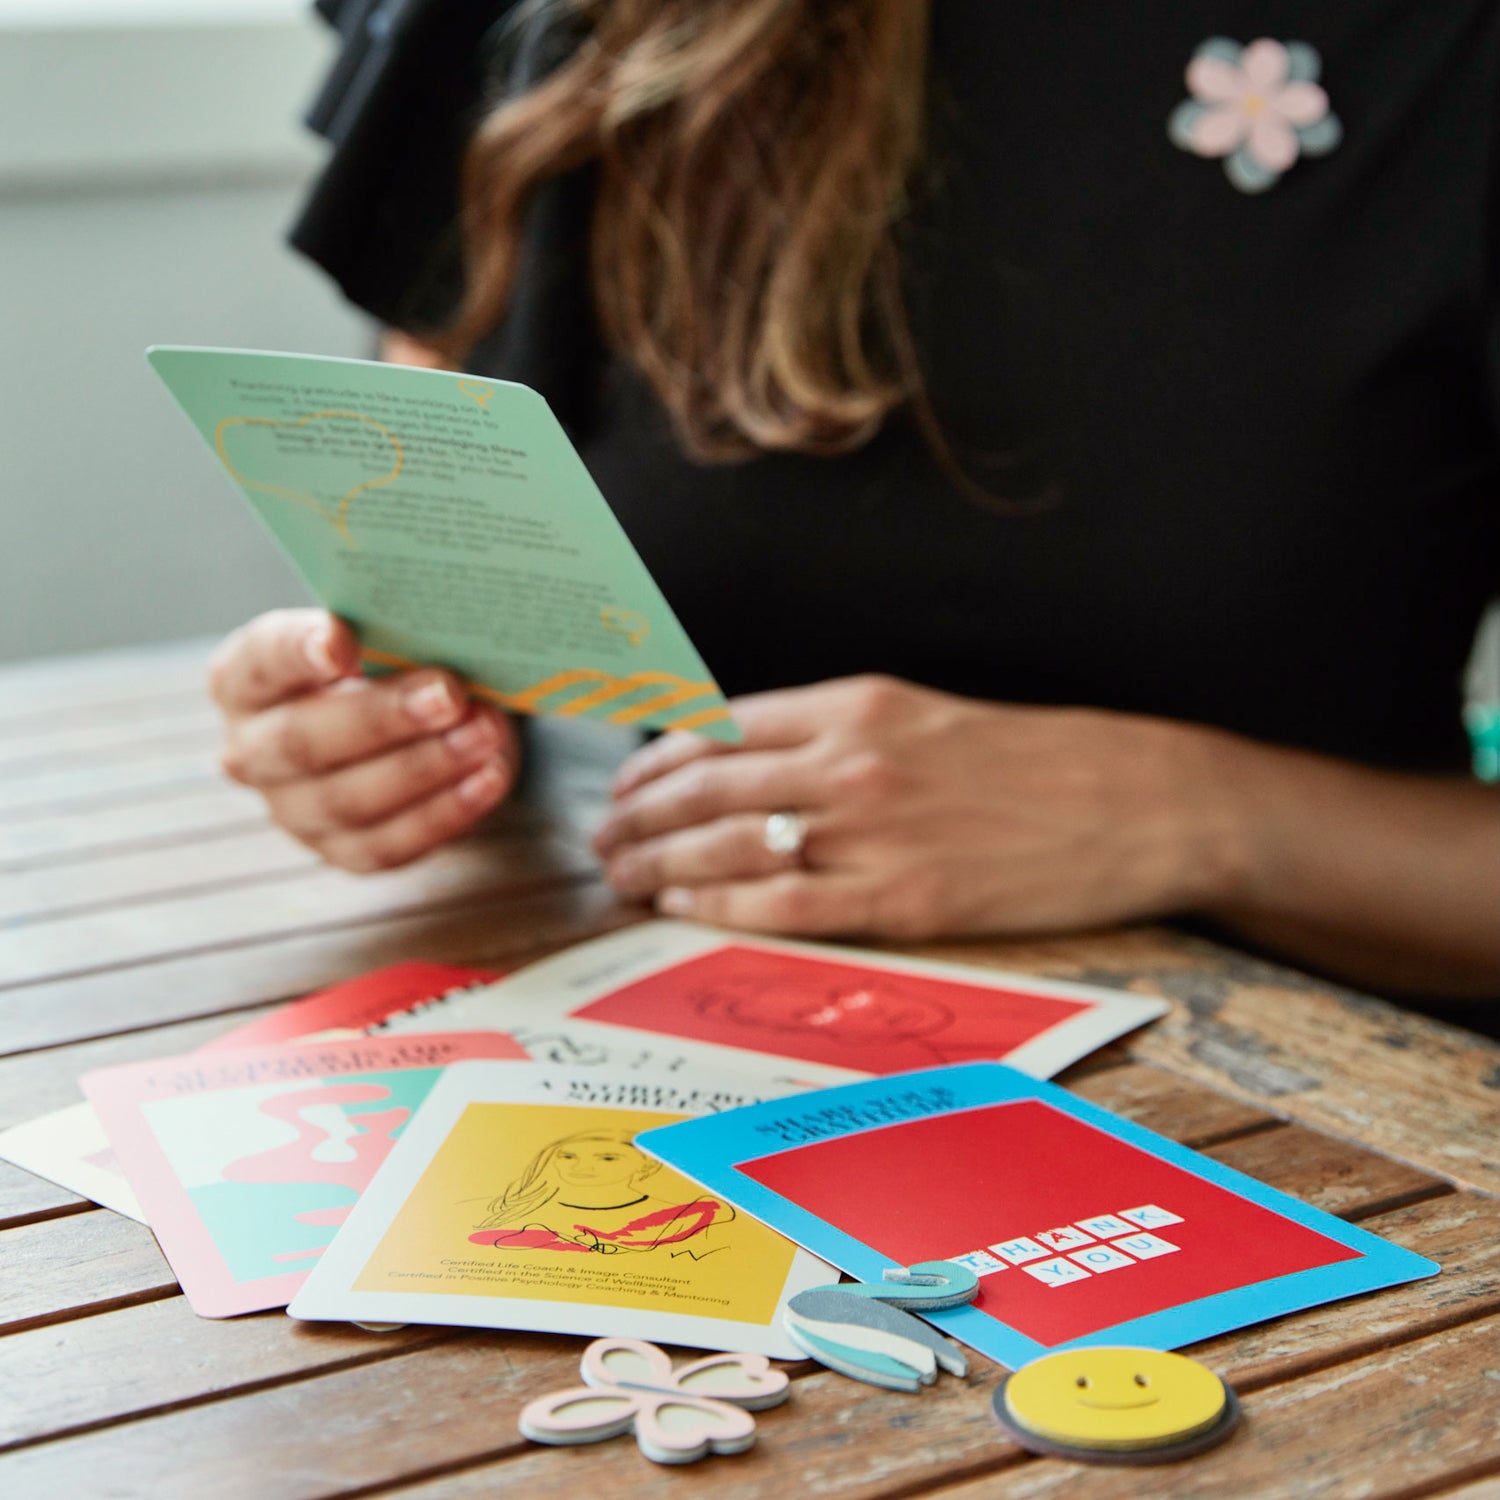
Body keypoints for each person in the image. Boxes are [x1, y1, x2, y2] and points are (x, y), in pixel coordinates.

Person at [207, 0, 1499, 1004]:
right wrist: (398, 738)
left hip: (1346, 1112)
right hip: (680, 1024)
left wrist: (1194, 816)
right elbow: (448, 608)